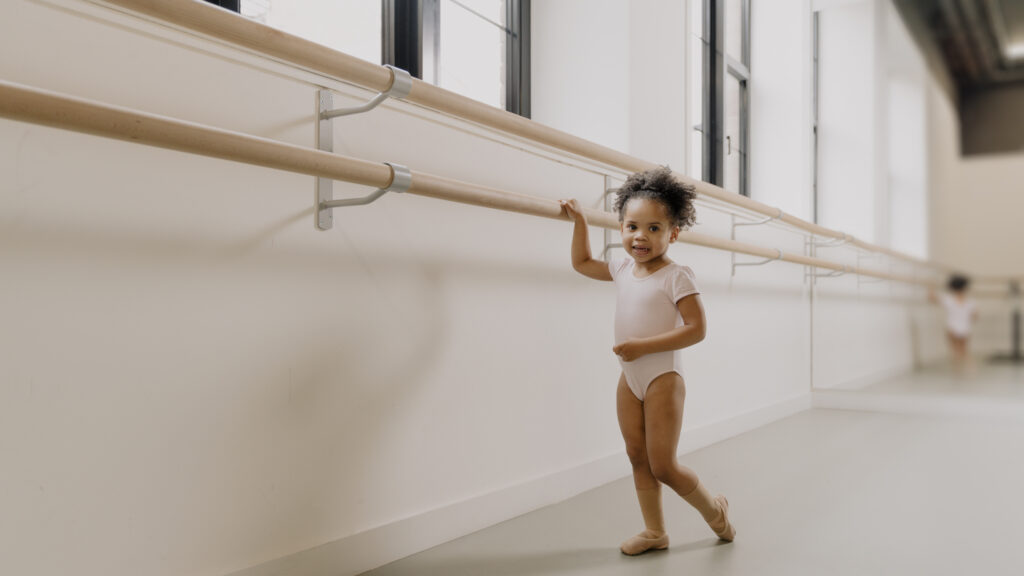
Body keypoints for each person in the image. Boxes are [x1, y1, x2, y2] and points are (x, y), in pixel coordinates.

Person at [560, 166, 734, 556]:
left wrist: (644, 346)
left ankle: (716, 513)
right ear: (621, 227)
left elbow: (696, 329)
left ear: (673, 233)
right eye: (632, 226)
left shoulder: (677, 277)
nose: (641, 236)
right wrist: (581, 222)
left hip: (662, 377)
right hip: (630, 378)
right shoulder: (622, 268)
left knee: (664, 466)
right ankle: (655, 531)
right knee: (637, 456)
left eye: (654, 229)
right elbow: (583, 263)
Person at [930, 274, 977, 370]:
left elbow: (932, 298)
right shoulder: (970, 302)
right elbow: (975, 316)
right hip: (965, 328)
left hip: (952, 328)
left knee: (955, 351)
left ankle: (958, 370)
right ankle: (967, 369)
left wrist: (931, 286)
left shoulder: (949, 300)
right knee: (964, 351)